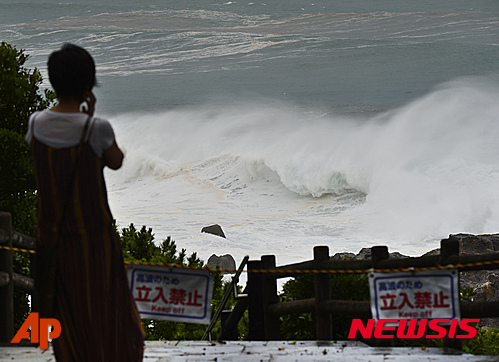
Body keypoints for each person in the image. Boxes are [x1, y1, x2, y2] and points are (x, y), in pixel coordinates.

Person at [25, 44, 144, 361]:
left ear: (53, 82)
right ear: (88, 85)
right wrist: (89, 118)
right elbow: (116, 161)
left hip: (53, 241)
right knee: (108, 312)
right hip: (95, 243)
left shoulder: (35, 124)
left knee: (66, 315)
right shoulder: (96, 129)